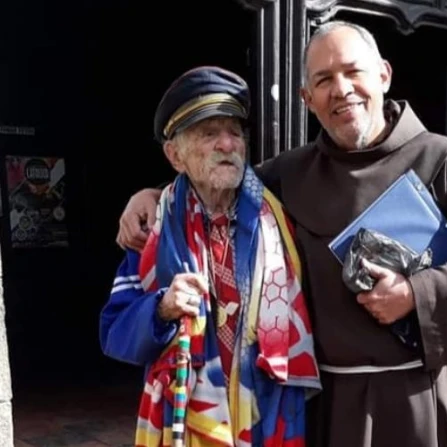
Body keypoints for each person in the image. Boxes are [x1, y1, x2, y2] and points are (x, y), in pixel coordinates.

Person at [116, 22, 447, 447]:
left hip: (421, 400)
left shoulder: (443, 161)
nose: (341, 90)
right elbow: (215, 182)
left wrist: (416, 294)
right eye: (324, 80)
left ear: (383, 74)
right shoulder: (290, 174)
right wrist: (152, 195)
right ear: (307, 99)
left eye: (353, 71)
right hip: (329, 407)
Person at [99, 66, 320, 447]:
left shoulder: (283, 213)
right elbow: (114, 330)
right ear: (175, 155)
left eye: (234, 131)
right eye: (209, 133)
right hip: (188, 415)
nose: (227, 144)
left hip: (268, 410)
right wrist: (161, 309)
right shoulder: (154, 230)